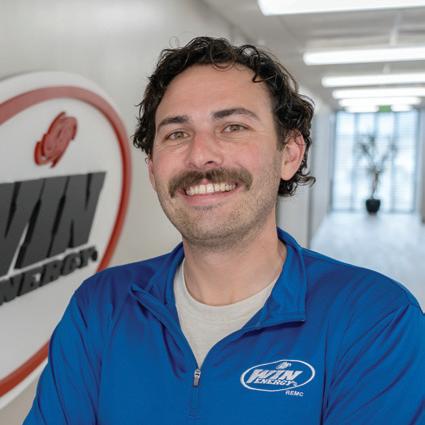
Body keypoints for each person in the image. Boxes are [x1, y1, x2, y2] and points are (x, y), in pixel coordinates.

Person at [24, 36, 424, 425]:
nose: (200, 155)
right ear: (153, 170)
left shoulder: (375, 319)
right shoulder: (100, 307)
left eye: (233, 127)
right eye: (177, 134)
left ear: (289, 154)